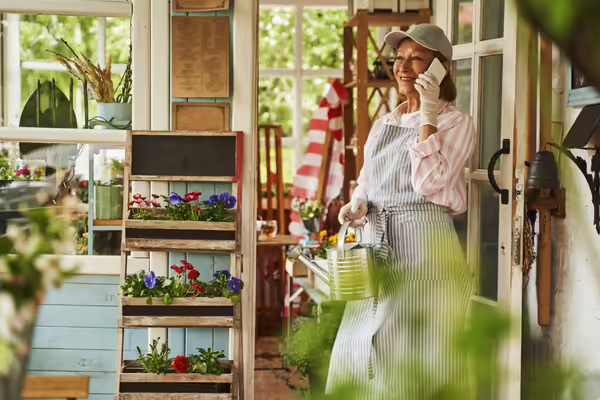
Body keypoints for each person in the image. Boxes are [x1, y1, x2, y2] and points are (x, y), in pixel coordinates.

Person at [326, 24, 476, 398]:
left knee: (418, 354)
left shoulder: (456, 123)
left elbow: (431, 183)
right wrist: (357, 202)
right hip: (376, 244)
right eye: (400, 58)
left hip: (424, 249)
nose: (403, 67)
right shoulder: (386, 122)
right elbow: (368, 180)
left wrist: (429, 112)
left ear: (441, 69)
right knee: (357, 348)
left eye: (417, 59)